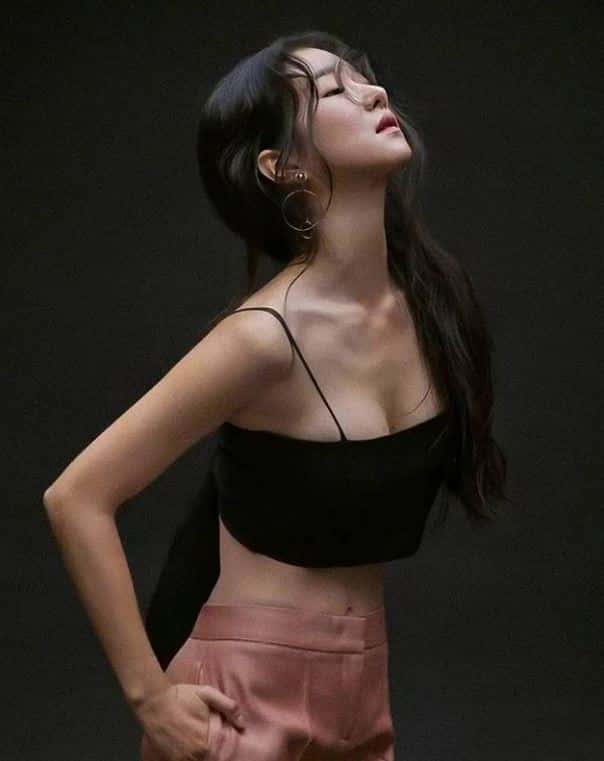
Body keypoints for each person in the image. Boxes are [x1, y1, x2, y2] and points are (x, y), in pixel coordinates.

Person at [43, 30, 509, 761]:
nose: (374, 93)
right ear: (282, 164)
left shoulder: (433, 307)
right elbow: (76, 496)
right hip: (244, 696)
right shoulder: (265, 337)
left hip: (366, 693)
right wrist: (151, 697)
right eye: (333, 90)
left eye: (364, 78)